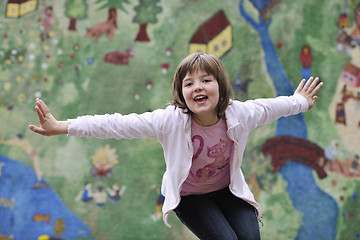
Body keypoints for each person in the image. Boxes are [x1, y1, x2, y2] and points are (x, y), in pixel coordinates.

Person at [28, 52, 323, 240]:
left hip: (228, 191)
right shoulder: (169, 121)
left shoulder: (238, 113)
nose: (197, 87)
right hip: (191, 198)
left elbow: (271, 107)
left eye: (206, 80)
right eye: (189, 83)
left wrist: (300, 101)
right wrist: (63, 126)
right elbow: (116, 123)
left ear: (220, 88)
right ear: (181, 93)